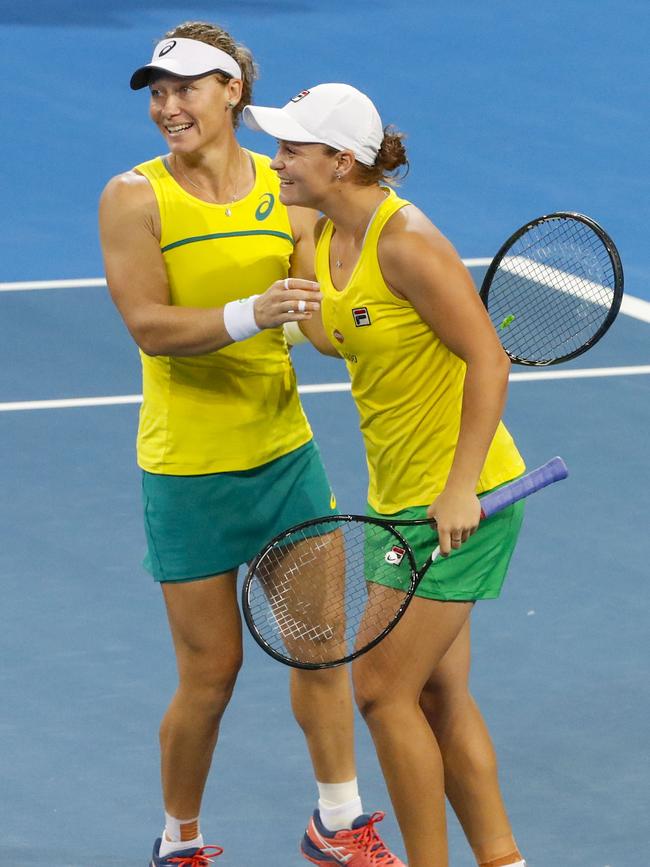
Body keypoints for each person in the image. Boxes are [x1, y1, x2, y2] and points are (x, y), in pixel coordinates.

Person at [99, 28, 403, 867]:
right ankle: (179, 839)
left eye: (185, 89)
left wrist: (398, 328)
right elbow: (150, 328)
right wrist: (251, 314)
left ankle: (338, 823)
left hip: (283, 458)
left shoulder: (288, 191)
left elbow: (316, 321)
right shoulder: (134, 197)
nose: (168, 107)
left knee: (320, 645)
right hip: (188, 471)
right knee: (211, 674)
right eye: (157, 92)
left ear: (232, 92)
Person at [244, 83, 530, 867]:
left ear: (342, 161)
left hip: (458, 506)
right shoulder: (331, 233)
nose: (276, 161)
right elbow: (339, 333)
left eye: (292, 150)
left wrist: (461, 485)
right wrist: (289, 286)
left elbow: (489, 359)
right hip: (398, 499)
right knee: (437, 693)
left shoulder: (406, 240)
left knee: (379, 689)